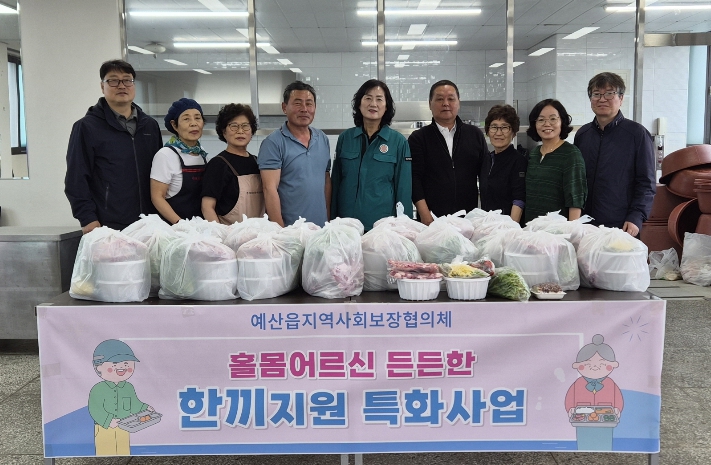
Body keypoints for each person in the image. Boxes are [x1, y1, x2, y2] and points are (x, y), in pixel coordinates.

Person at [65, 59, 162, 233]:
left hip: (150, 224)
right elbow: (76, 179)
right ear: (102, 86)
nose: (121, 85)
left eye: (127, 80)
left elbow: (160, 174)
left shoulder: (150, 126)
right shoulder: (86, 127)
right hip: (108, 225)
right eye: (113, 80)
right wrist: (88, 219)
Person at [574, 72, 656, 236]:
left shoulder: (637, 134)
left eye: (609, 93)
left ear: (621, 98)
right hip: (585, 224)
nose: (602, 99)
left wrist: (636, 216)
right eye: (596, 94)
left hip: (622, 224)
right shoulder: (583, 134)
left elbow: (646, 182)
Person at [330, 80, 412, 231]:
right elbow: (336, 182)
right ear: (359, 104)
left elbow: (403, 189)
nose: (373, 104)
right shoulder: (345, 138)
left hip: (382, 228)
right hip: (346, 225)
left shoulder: (398, 142)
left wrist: (404, 228)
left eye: (379, 99)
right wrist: (332, 219)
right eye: (368, 98)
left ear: (386, 106)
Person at [409, 80, 488, 225]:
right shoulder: (419, 138)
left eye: (451, 99)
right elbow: (414, 179)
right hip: (432, 220)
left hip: (469, 219)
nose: (446, 103)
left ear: (459, 103)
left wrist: (483, 215)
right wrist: (425, 215)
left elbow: (485, 176)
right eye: (439, 99)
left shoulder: (475, 135)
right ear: (430, 104)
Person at [258, 81, 331, 227]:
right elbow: (269, 189)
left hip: (320, 228)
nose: (304, 109)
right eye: (297, 103)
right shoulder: (273, 143)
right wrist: (280, 231)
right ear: (284, 107)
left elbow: (326, 180)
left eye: (309, 103)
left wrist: (327, 219)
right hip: (291, 229)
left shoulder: (322, 138)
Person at [524, 99, 587, 225]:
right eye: (541, 120)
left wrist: (571, 232)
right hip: (530, 229)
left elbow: (575, 199)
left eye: (553, 119)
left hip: (557, 231)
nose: (547, 124)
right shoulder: (534, 154)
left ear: (562, 121)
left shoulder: (571, 154)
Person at [202, 104, 264, 224]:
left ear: (252, 131)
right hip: (229, 232)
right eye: (234, 126)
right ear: (224, 131)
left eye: (245, 126)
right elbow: (207, 207)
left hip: (259, 232)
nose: (240, 131)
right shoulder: (217, 164)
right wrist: (220, 233)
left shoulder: (259, 162)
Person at [89, 339, 154, 456]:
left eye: (126, 364)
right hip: (104, 428)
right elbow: (95, 409)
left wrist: (145, 408)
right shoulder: (98, 389)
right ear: (99, 367)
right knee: (105, 453)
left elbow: (134, 404)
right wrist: (108, 421)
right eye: (114, 363)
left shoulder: (128, 387)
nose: (122, 367)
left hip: (125, 426)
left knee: (123, 451)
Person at [150, 98, 207, 224]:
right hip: (174, 228)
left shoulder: (202, 153)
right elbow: (157, 197)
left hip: (200, 226)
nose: (193, 123)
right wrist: (180, 224)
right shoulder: (165, 155)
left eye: (197, 118)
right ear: (174, 125)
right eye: (186, 119)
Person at [565, 334, 623, 451]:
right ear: (579, 366)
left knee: (604, 442)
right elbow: (569, 398)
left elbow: (618, 399)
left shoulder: (610, 383)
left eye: (602, 364)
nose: (595, 367)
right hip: (581, 421)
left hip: (606, 420)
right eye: (588, 364)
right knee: (584, 442)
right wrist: (570, 408)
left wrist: (617, 409)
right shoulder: (578, 383)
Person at [480, 104, 527, 223]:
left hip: (507, 227)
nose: (498, 133)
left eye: (505, 127)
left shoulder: (518, 161)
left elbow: (519, 199)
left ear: (513, 132)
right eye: (494, 127)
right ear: (488, 131)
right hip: (488, 225)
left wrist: (510, 229)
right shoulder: (487, 159)